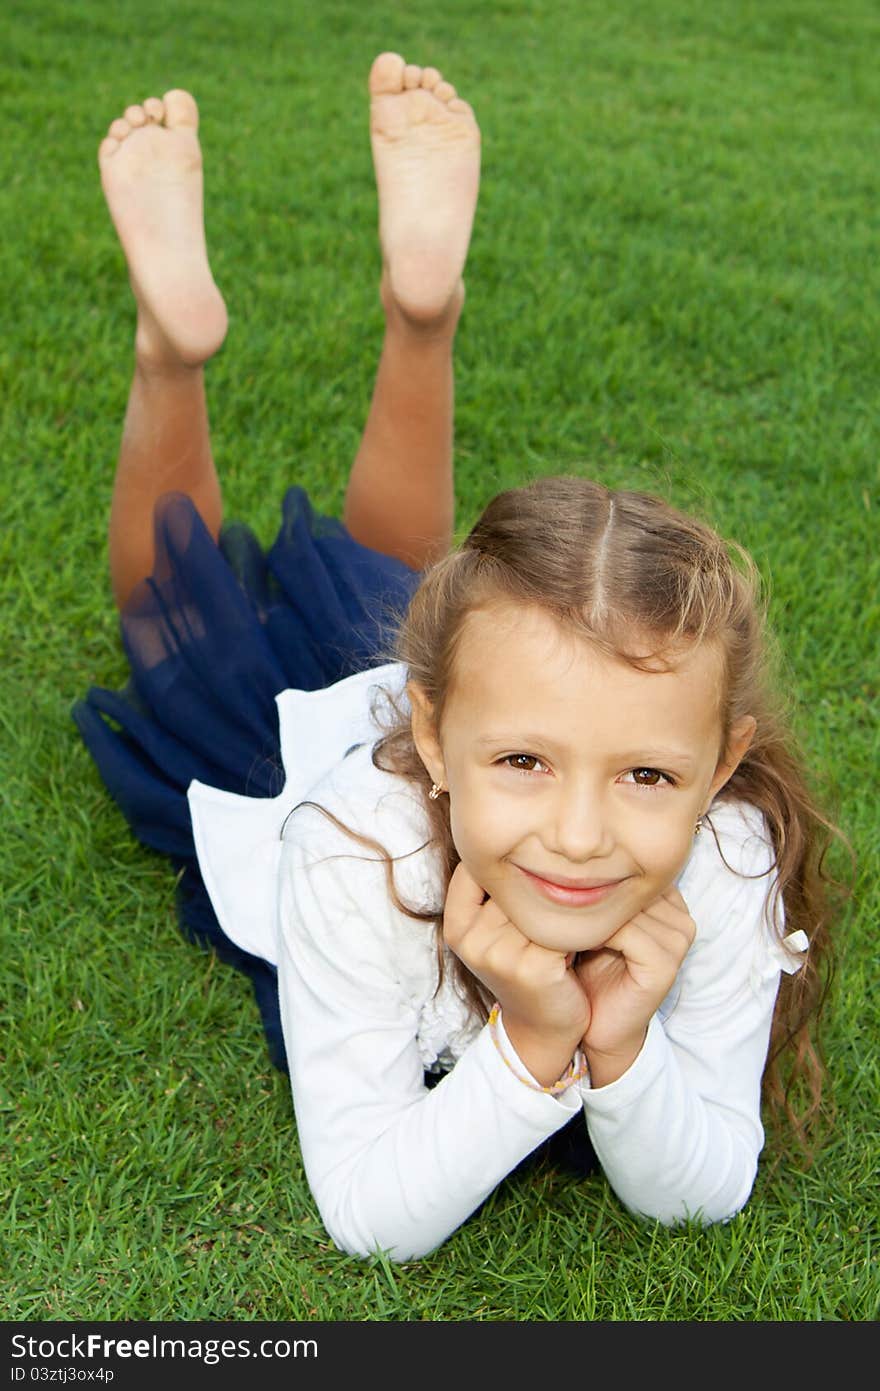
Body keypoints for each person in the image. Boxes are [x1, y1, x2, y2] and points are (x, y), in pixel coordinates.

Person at [75, 53, 836, 1262]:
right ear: (431, 735)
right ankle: (174, 351)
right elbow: (371, 1216)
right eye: (528, 760)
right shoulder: (349, 847)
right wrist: (535, 1043)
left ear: (721, 760)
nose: (581, 835)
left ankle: (422, 311)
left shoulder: (728, 856)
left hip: (459, 710)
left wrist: (615, 1040)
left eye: (647, 775)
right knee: (190, 634)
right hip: (357, 778)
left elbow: (703, 1188)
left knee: (389, 581)